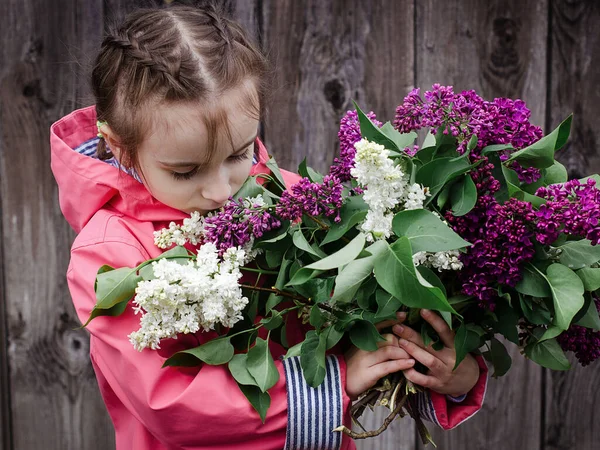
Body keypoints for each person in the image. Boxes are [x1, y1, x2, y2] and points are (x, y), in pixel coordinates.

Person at [50, 5, 487, 450]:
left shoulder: (289, 200)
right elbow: (169, 403)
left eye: (238, 153)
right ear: (120, 149)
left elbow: (367, 322)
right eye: (185, 171)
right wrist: (332, 384)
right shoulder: (108, 257)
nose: (220, 190)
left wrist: (451, 372)